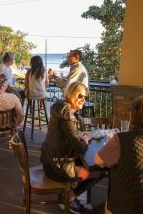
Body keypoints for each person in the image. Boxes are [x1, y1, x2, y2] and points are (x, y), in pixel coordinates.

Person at [40, 82, 101, 214]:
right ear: (71, 94)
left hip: (50, 161)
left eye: (85, 97)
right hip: (59, 168)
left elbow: (65, 136)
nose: (83, 100)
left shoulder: (60, 109)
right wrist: (85, 139)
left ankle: (70, 196)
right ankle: (69, 197)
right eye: (80, 96)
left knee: (86, 163)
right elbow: (79, 148)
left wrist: (78, 135)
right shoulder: (67, 116)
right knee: (98, 172)